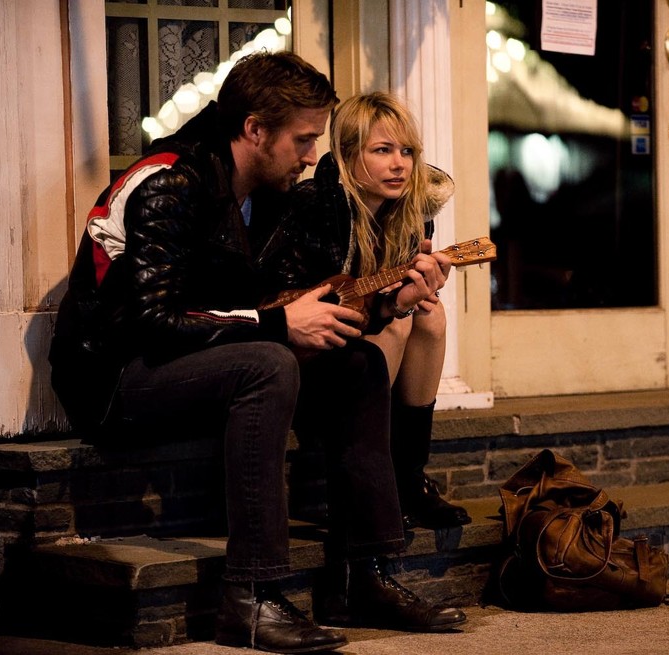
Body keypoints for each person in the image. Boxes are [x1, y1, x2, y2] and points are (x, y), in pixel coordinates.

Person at [48, 51, 465, 655]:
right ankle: (250, 594)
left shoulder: (266, 192)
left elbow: (284, 302)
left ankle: (366, 574)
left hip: (199, 361)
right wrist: (274, 323)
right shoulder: (169, 182)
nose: (311, 156)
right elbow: (150, 320)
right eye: (302, 140)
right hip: (116, 376)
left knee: (356, 359)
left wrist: (383, 306)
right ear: (254, 130)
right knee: (267, 362)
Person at [257, 91, 471, 531]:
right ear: (349, 155)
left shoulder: (410, 214)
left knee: (430, 315)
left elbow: (393, 303)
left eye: (407, 151)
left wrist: (408, 295)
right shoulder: (316, 205)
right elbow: (309, 305)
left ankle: (409, 477)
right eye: (382, 150)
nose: (400, 164)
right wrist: (389, 307)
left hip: (362, 344)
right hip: (310, 359)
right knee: (393, 329)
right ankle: (366, 479)